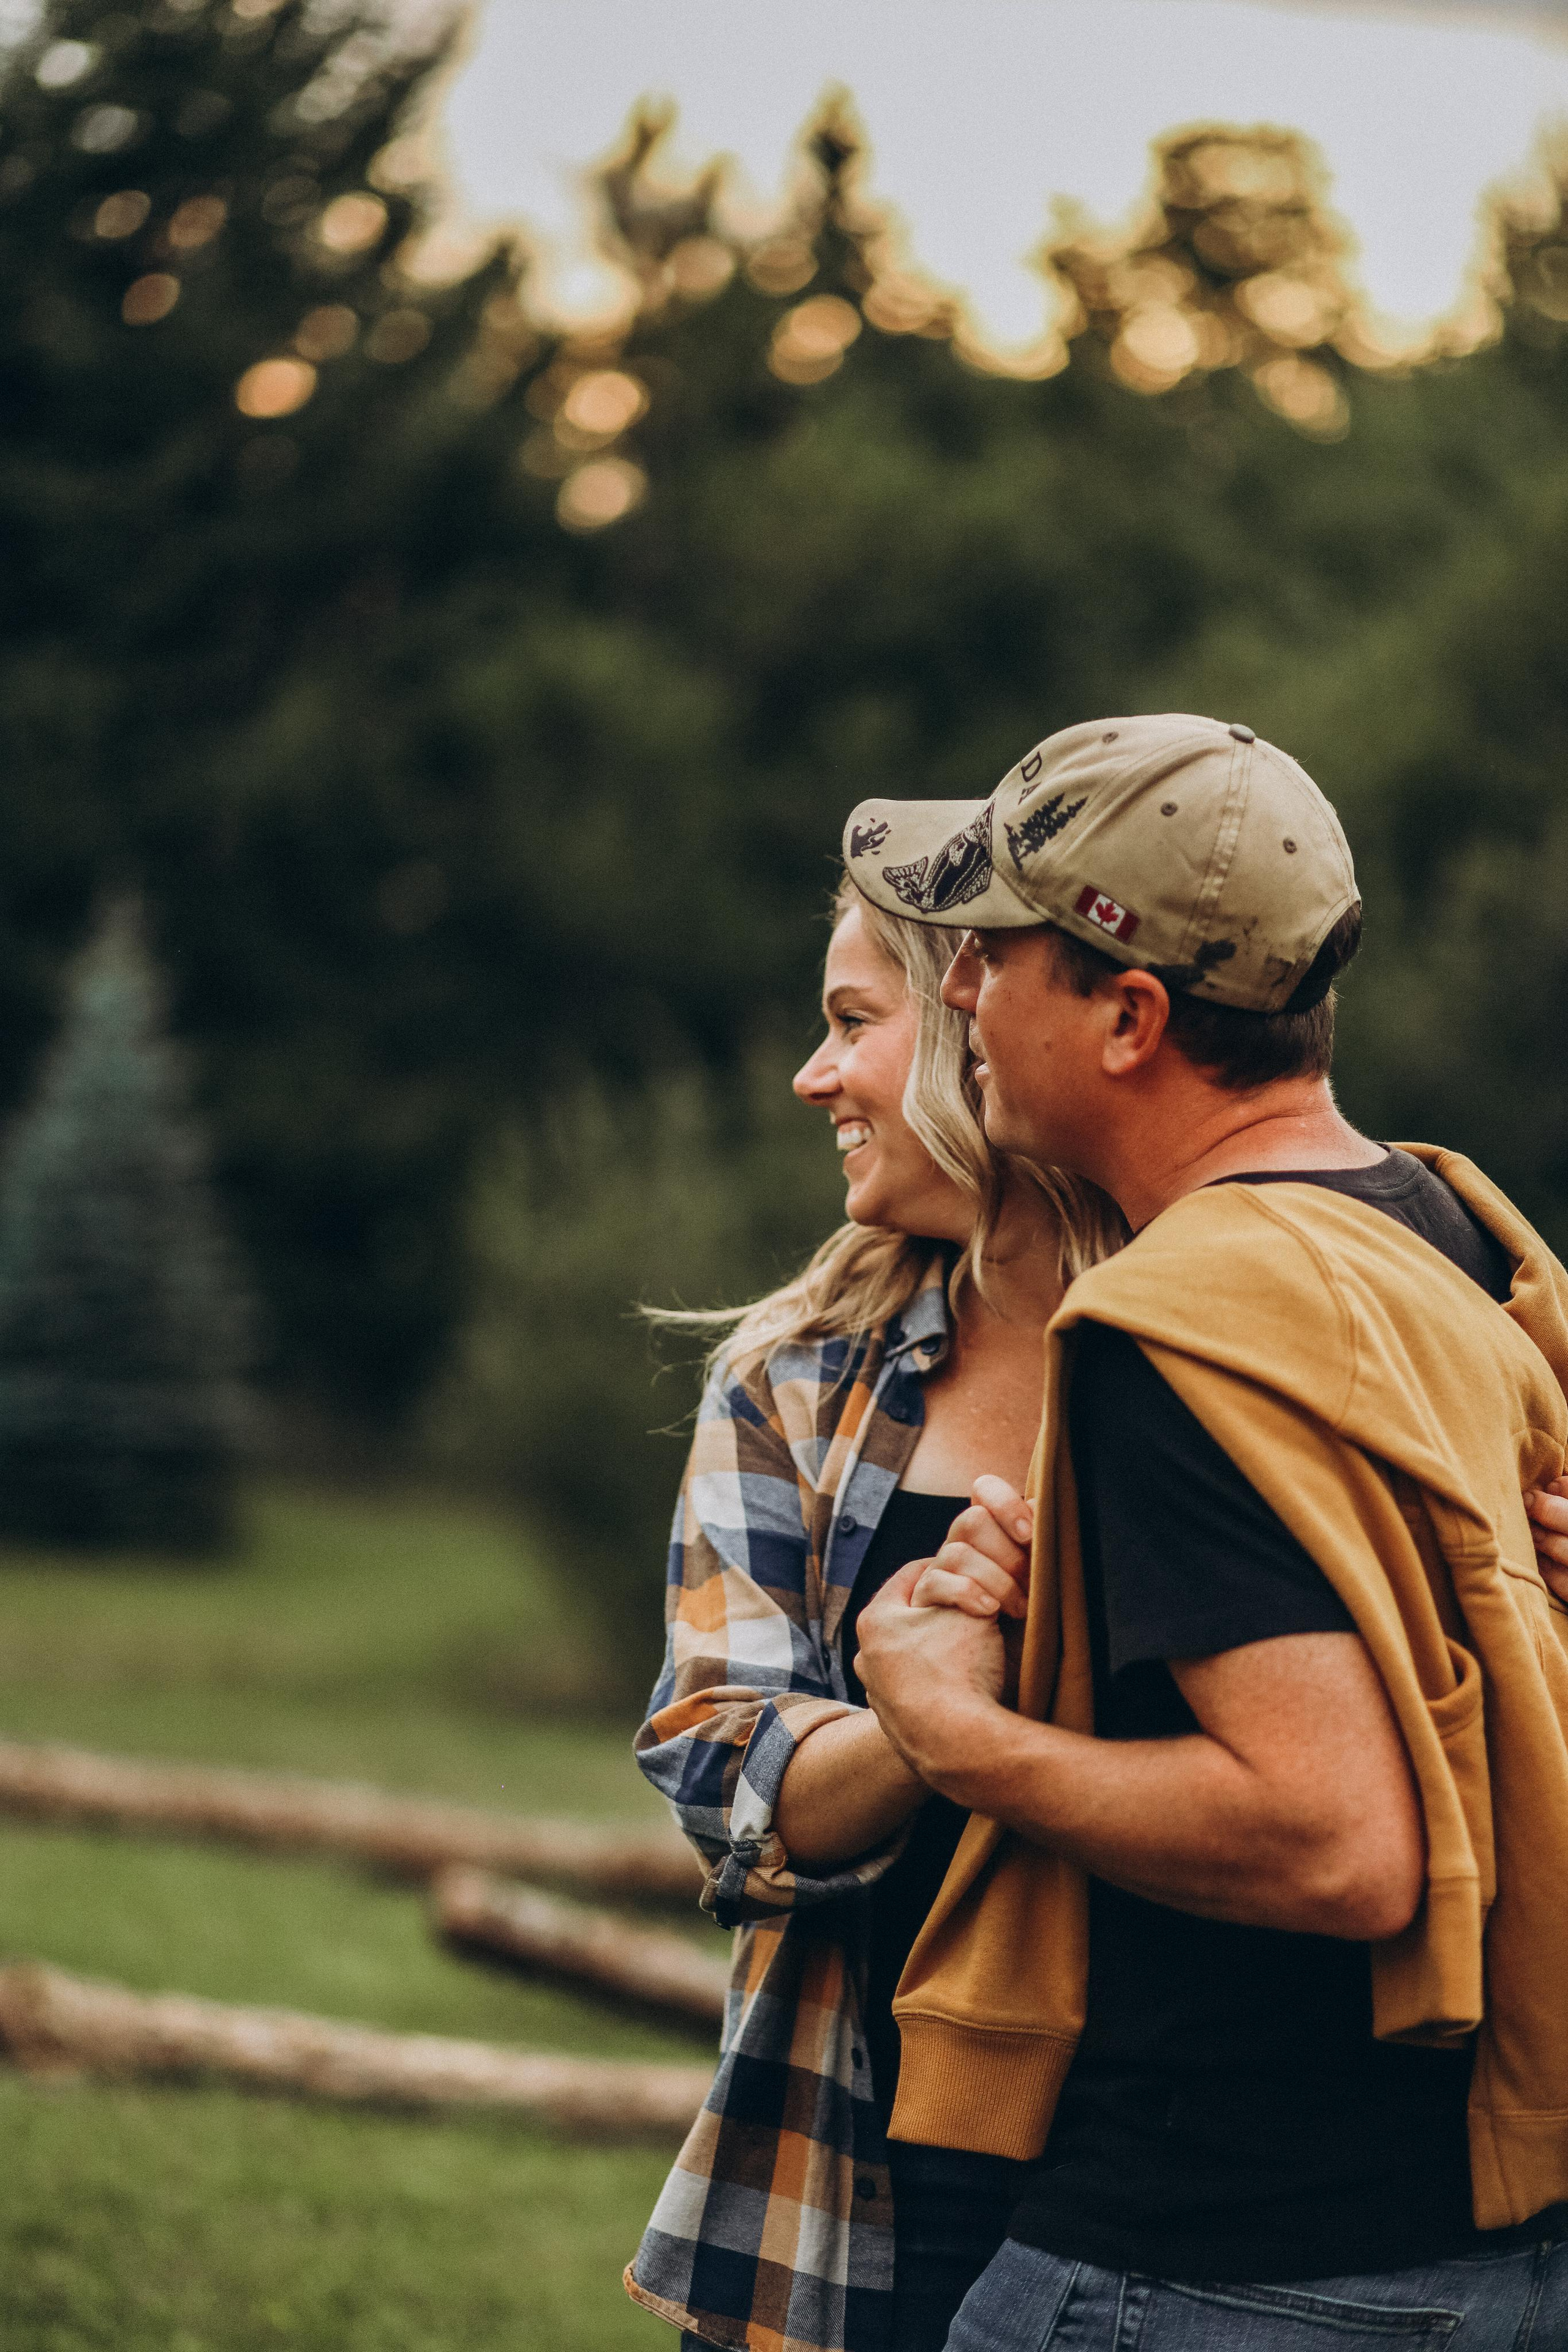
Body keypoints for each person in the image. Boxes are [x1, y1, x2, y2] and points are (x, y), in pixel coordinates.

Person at [841, 712, 1568, 2351]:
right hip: (1488, 2245)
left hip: (1212, 2264)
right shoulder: (1447, 1234)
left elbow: (1336, 1841)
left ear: (1130, 1015)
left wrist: (956, 1729)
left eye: (998, 957)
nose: (959, 992)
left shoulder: (1178, 1325)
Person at [622, 876, 1123, 2352]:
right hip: (870, 2151)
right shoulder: (794, 1381)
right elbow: (723, 1767)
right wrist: (931, 1708)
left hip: (1186, 2162)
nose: (812, 1075)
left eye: (852, 1023)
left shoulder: (1230, 1342)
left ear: (982, 1028)